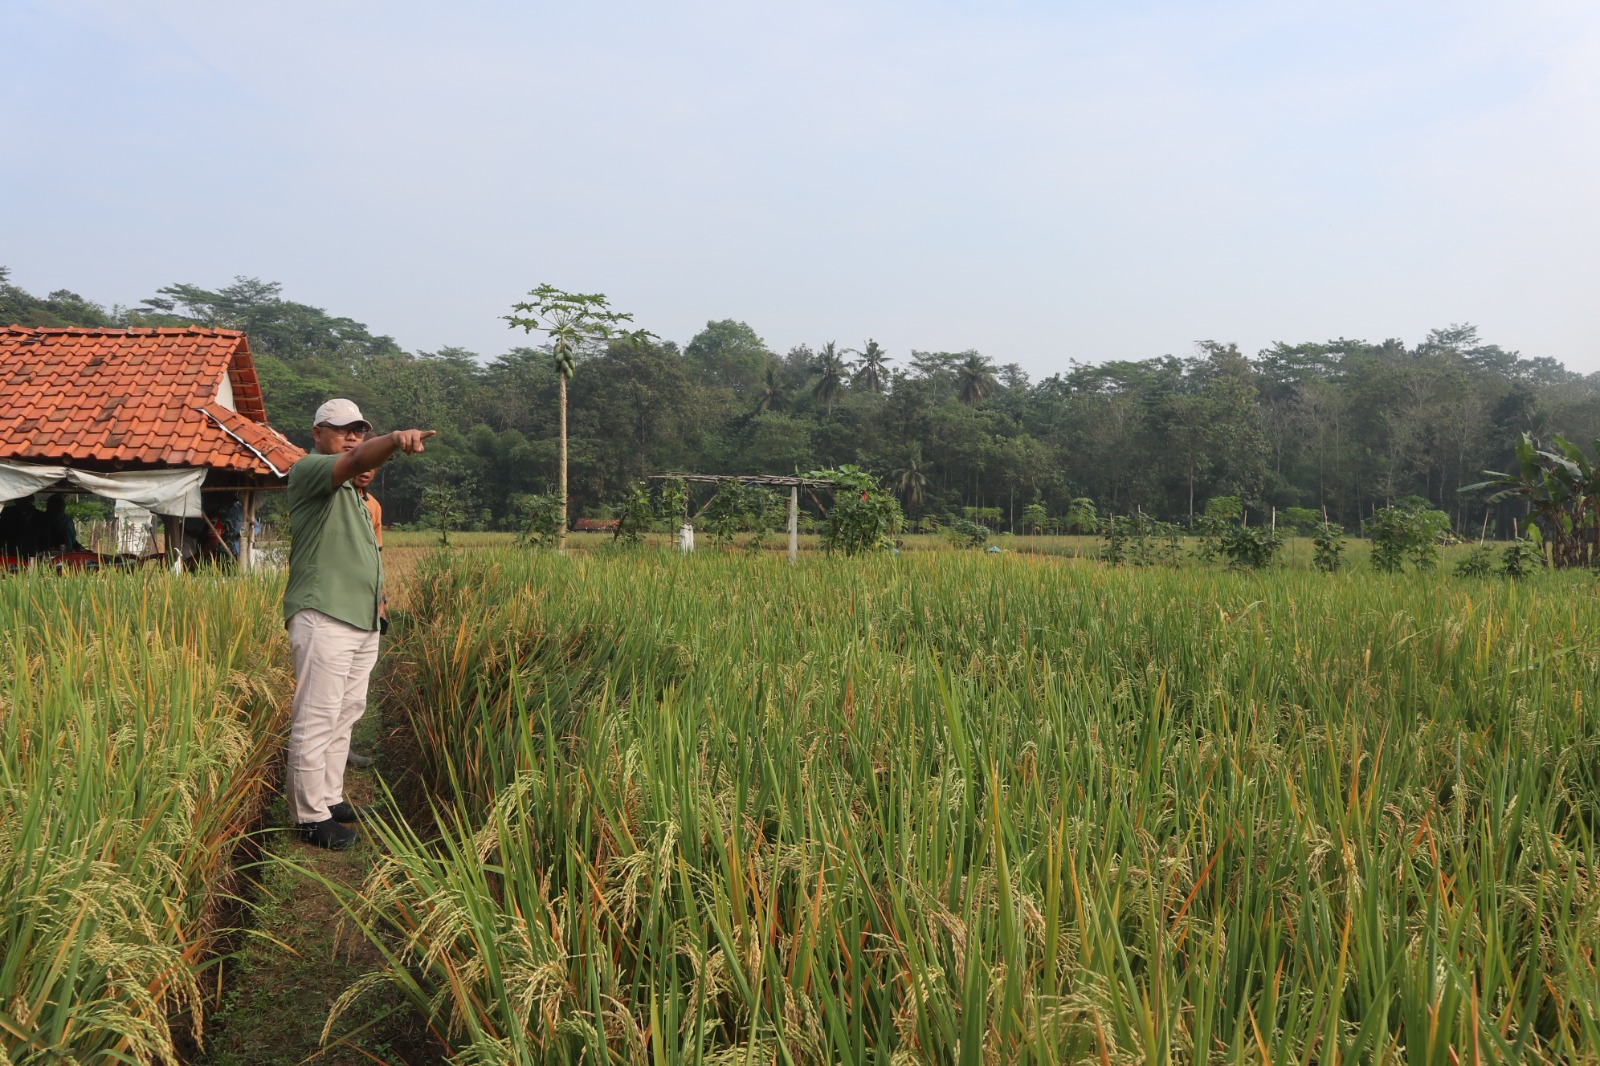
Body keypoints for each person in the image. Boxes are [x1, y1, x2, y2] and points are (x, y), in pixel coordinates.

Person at [282, 398, 434, 849]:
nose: (352, 436)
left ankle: (329, 798)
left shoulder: (357, 497)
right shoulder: (308, 471)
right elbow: (353, 461)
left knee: (346, 713)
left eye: (360, 430)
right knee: (317, 715)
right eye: (342, 428)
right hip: (324, 614)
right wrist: (393, 440)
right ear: (317, 433)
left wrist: (379, 609)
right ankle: (309, 817)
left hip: (361, 620)